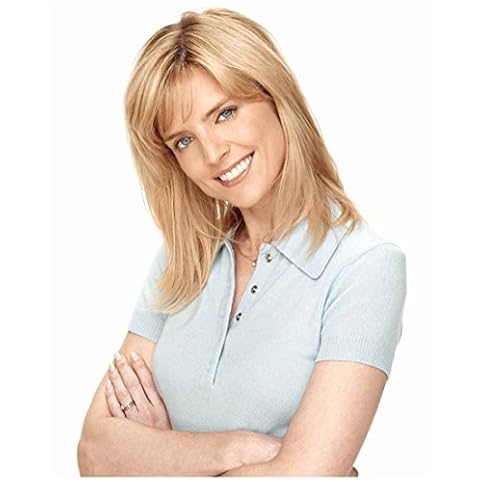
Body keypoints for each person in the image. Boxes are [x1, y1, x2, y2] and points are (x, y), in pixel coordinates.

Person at [77, 7, 406, 477]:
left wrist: (158, 453)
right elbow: (94, 451)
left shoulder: (365, 268)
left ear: (276, 96)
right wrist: (237, 451)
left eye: (225, 114)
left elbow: (302, 475)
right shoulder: (182, 259)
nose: (213, 153)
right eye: (183, 141)